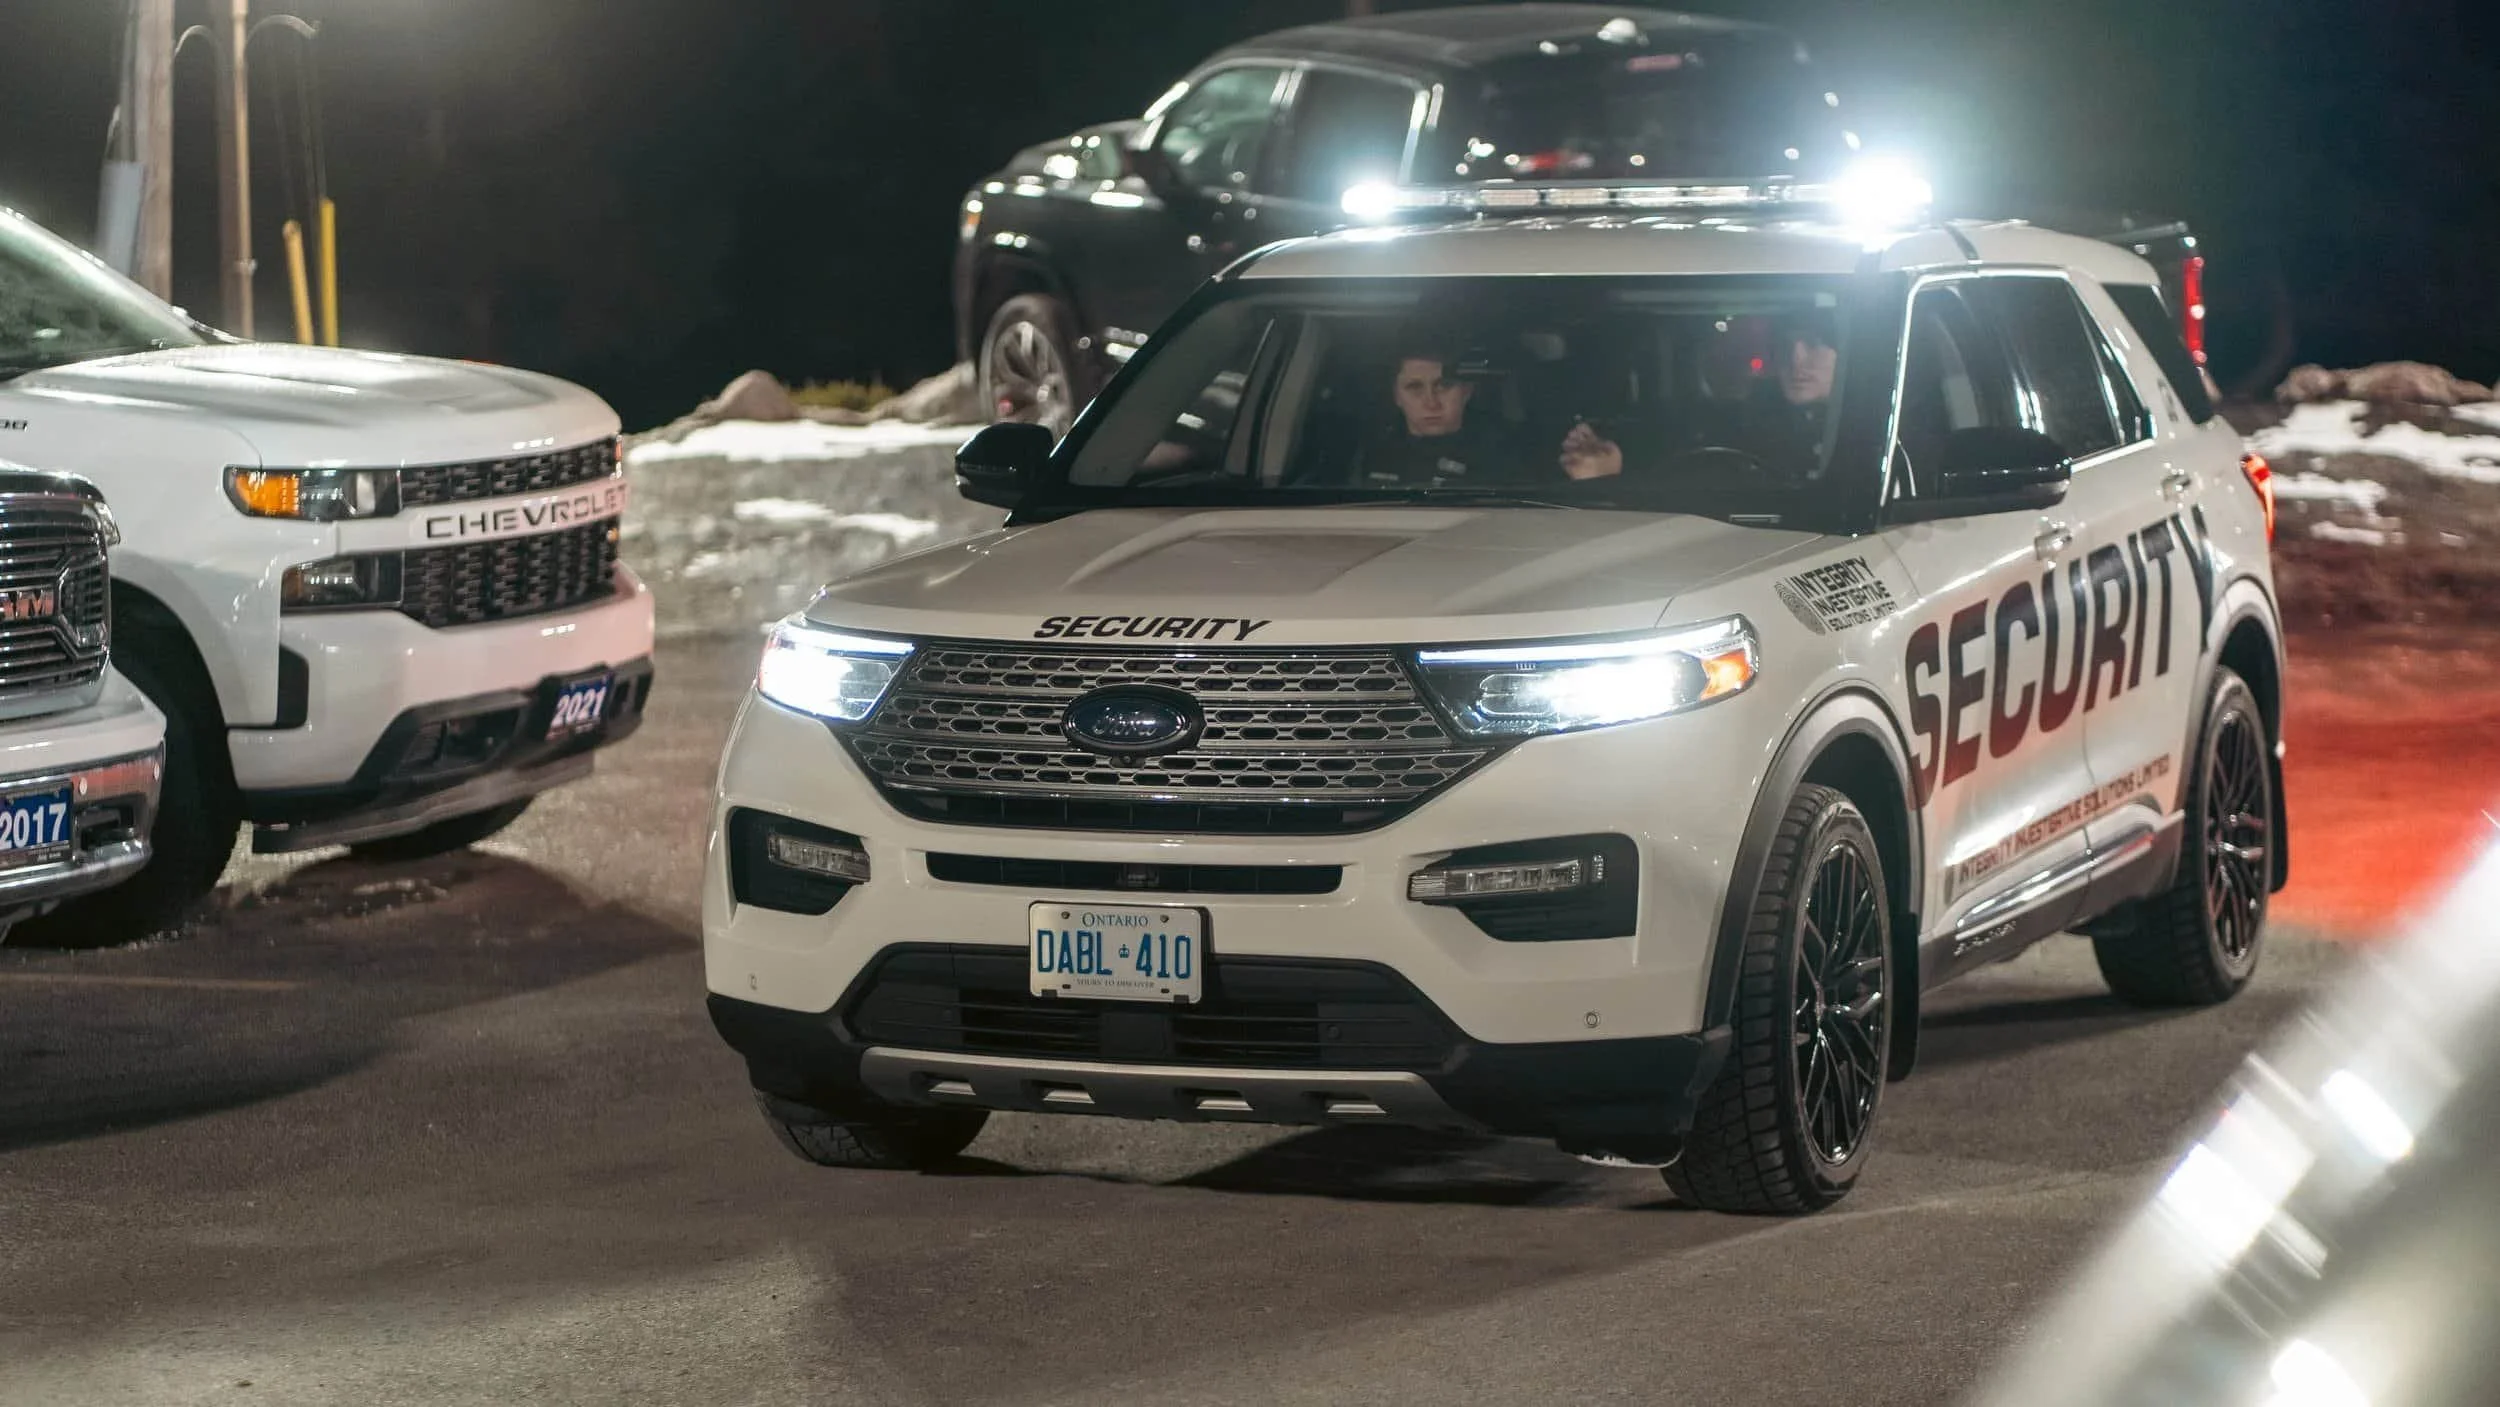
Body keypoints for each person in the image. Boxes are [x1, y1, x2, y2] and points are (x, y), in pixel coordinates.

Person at [1347, 336, 1625, 487]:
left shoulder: (1511, 451)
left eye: (1444, 386)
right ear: (1396, 396)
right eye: (1415, 388)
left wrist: (1599, 482)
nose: (1431, 402)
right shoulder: (1368, 454)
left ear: (1467, 391)